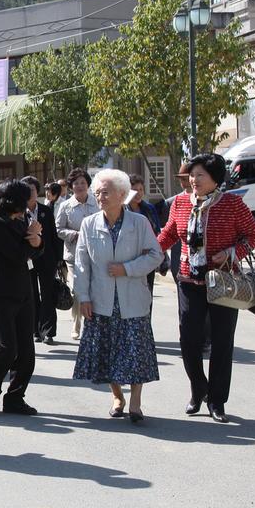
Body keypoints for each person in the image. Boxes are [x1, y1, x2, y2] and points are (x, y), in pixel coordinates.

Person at [158, 152, 255, 424]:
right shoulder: (180, 202)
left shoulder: (232, 204)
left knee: (222, 343)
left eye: (200, 175)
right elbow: (168, 234)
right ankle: (198, 388)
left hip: (224, 283)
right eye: (191, 175)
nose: (193, 180)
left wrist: (231, 252)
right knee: (188, 341)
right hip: (188, 280)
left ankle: (217, 400)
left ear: (215, 178)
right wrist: (146, 251)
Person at [72, 170, 162, 423]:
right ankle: (117, 396)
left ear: (122, 195)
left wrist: (128, 269)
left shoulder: (139, 223)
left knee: (135, 350)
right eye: (97, 192)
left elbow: (156, 255)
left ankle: (135, 401)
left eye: (106, 192)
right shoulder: (89, 224)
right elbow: (82, 266)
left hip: (132, 297)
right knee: (107, 352)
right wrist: (84, 297)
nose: (100, 196)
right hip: (101, 299)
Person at [0, 180, 43, 416]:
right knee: (8, 347)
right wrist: (33, 237)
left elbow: (35, 251)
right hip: (0, 292)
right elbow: (17, 255)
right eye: (23, 201)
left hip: (23, 290)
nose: (27, 206)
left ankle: (15, 396)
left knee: (26, 350)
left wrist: (37, 240)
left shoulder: (21, 219)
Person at [55, 168, 99, 340]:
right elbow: (58, 229)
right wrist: (75, 234)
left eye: (83, 182)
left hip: (96, 253)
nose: (80, 186)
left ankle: (91, 323)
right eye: (76, 183)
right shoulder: (65, 206)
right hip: (74, 255)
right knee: (78, 290)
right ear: (71, 186)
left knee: (93, 289)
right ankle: (76, 322)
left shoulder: (96, 203)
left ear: (88, 184)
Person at [21, 176, 61, 345]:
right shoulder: (19, 212)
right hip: (28, 259)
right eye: (27, 190)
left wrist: (59, 259)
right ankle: (35, 330)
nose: (30, 193)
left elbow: (54, 236)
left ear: (38, 191)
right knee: (31, 295)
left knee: (48, 293)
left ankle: (48, 331)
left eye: (33, 189)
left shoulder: (46, 210)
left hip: (47, 258)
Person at [127, 174, 164, 294]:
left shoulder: (149, 209)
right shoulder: (121, 210)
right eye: (134, 190)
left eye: (141, 189)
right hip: (128, 258)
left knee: (147, 294)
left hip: (147, 257)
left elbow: (156, 231)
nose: (138, 193)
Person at [160, 163, 193, 284]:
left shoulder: (222, 202)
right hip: (180, 262)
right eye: (181, 179)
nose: (185, 183)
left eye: (187, 178)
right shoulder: (174, 202)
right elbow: (167, 233)